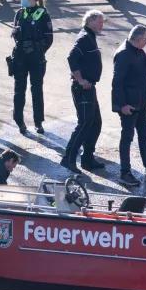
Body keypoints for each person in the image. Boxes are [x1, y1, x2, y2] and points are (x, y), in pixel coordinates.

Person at [111, 24, 146, 186]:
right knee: (127, 138)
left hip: (141, 104)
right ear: (139, 39)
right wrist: (121, 105)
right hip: (129, 105)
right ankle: (125, 173)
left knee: (144, 135)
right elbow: (117, 83)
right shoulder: (123, 54)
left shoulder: (139, 51)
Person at [61, 9, 106, 173]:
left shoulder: (90, 37)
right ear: (90, 21)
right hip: (83, 88)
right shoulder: (84, 38)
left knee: (95, 123)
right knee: (85, 123)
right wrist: (80, 80)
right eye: (100, 21)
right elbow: (72, 58)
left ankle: (87, 159)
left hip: (90, 87)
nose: (102, 25)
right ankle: (68, 158)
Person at [11, 0, 54, 135]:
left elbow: (49, 38)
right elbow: (15, 33)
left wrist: (36, 48)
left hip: (36, 58)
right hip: (20, 57)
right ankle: (19, 121)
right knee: (19, 90)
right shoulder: (20, 13)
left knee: (36, 90)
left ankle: (38, 122)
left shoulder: (43, 14)